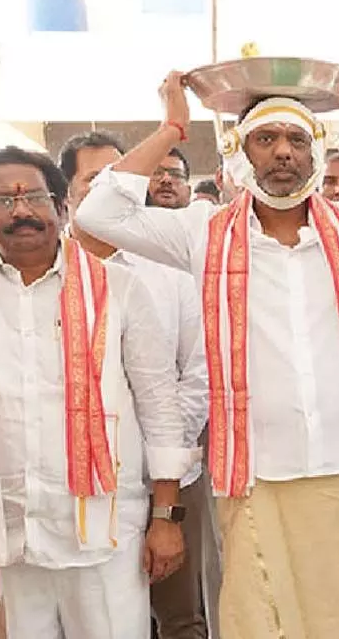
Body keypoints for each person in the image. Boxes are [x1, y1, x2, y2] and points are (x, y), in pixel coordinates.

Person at [75, 72, 339, 639]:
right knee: (265, 618)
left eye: (296, 139)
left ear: (313, 153)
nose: (283, 152)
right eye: (266, 139)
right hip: (256, 468)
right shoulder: (202, 231)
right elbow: (96, 217)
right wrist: (171, 130)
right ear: (241, 154)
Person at [0, 146, 195, 639]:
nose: (21, 211)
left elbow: (160, 405)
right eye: (3, 200)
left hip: (102, 531)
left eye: (35, 197)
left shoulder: (120, 287)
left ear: (63, 206)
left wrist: (166, 516)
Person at [59, 131, 214, 639]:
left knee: (180, 618)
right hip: (75, 488)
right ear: (68, 195)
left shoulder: (172, 271)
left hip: (165, 480)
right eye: (97, 179)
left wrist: (159, 451)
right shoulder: (43, 273)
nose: (115, 187)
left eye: (123, 176)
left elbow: (198, 370)